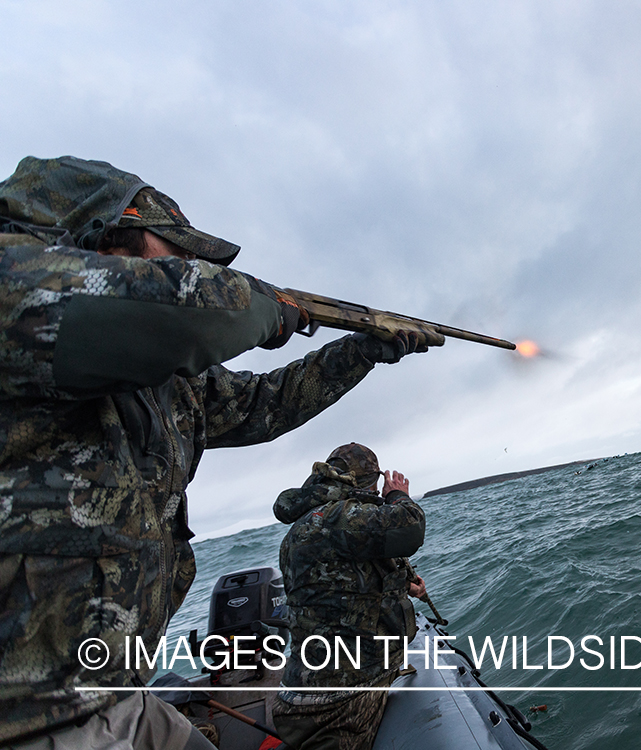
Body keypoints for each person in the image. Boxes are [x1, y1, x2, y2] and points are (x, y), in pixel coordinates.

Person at [0, 156, 443, 749]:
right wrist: (271, 306)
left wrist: (363, 347)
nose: (191, 266)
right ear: (109, 237)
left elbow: (266, 402)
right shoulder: (19, 289)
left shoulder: (168, 385)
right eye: (175, 251)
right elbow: (183, 307)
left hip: (112, 693)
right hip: (26, 713)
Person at [271, 443, 426, 750]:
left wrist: (403, 585)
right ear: (367, 483)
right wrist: (396, 494)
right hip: (340, 699)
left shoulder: (304, 527)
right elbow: (410, 526)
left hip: (299, 693)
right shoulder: (338, 518)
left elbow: (336, 589)